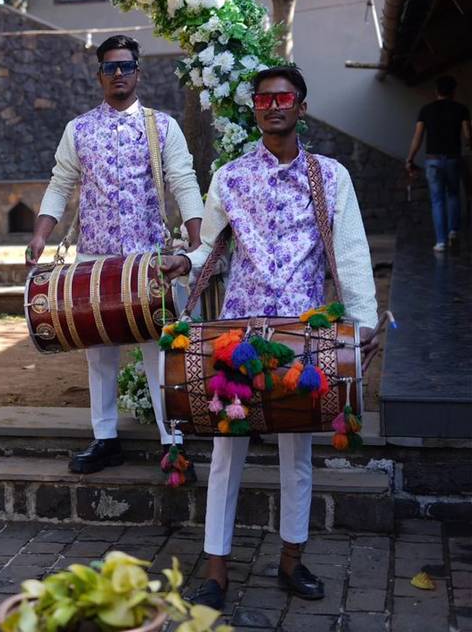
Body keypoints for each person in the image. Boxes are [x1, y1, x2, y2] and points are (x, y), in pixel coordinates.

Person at [159, 66, 380, 609]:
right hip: (236, 334)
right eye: (263, 98)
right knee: (226, 451)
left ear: (301, 108)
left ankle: (291, 561)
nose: (273, 105)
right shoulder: (230, 177)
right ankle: (215, 571)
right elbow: (209, 248)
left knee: (296, 451)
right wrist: (179, 262)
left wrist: (364, 320)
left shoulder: (330, 178)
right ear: (254, 109)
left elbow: (350, 251)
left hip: (306, 335)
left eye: (284, 97)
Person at [24, 35, 204, 476]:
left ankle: (173, 443)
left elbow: (183, 181)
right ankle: (104, 439)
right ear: (100, 75)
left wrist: (197, 245)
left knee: (157, 350)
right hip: (93, 260)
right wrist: (41, 235)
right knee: (98, 352)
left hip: (149, 261)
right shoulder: (79, 129)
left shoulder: (162, 126)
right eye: (110, 67)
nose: (118, 73)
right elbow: (60, 182)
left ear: (138, 72)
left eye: (125, 66)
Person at [406, 75, 471, 251]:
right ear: (454, 92)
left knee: (437, 200)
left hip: (433, 161)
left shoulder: (426, 110)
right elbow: (468, 135)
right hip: (452, 159)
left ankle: (441, 242)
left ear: (436, 91)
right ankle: (453, 232)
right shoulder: (462, 109)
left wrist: (410, 158)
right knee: (454, 195)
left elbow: (417, 138)